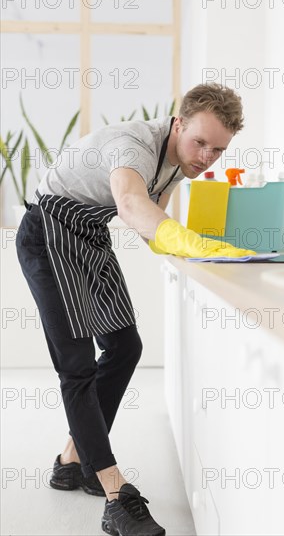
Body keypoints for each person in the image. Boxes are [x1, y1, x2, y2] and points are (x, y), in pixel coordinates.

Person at [15, 83, 255, 536]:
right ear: (178, 123)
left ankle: (71, 461)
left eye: (218, 150)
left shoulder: (180, 161)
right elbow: (130, 203)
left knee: (125, 345)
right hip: (47, 233)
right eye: (199, 142)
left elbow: (153, 222)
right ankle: (114, 494)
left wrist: (198, 259)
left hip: (88, 236)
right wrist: (191, 241)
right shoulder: (133, 145)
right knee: (77, 366)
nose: (206, 157)